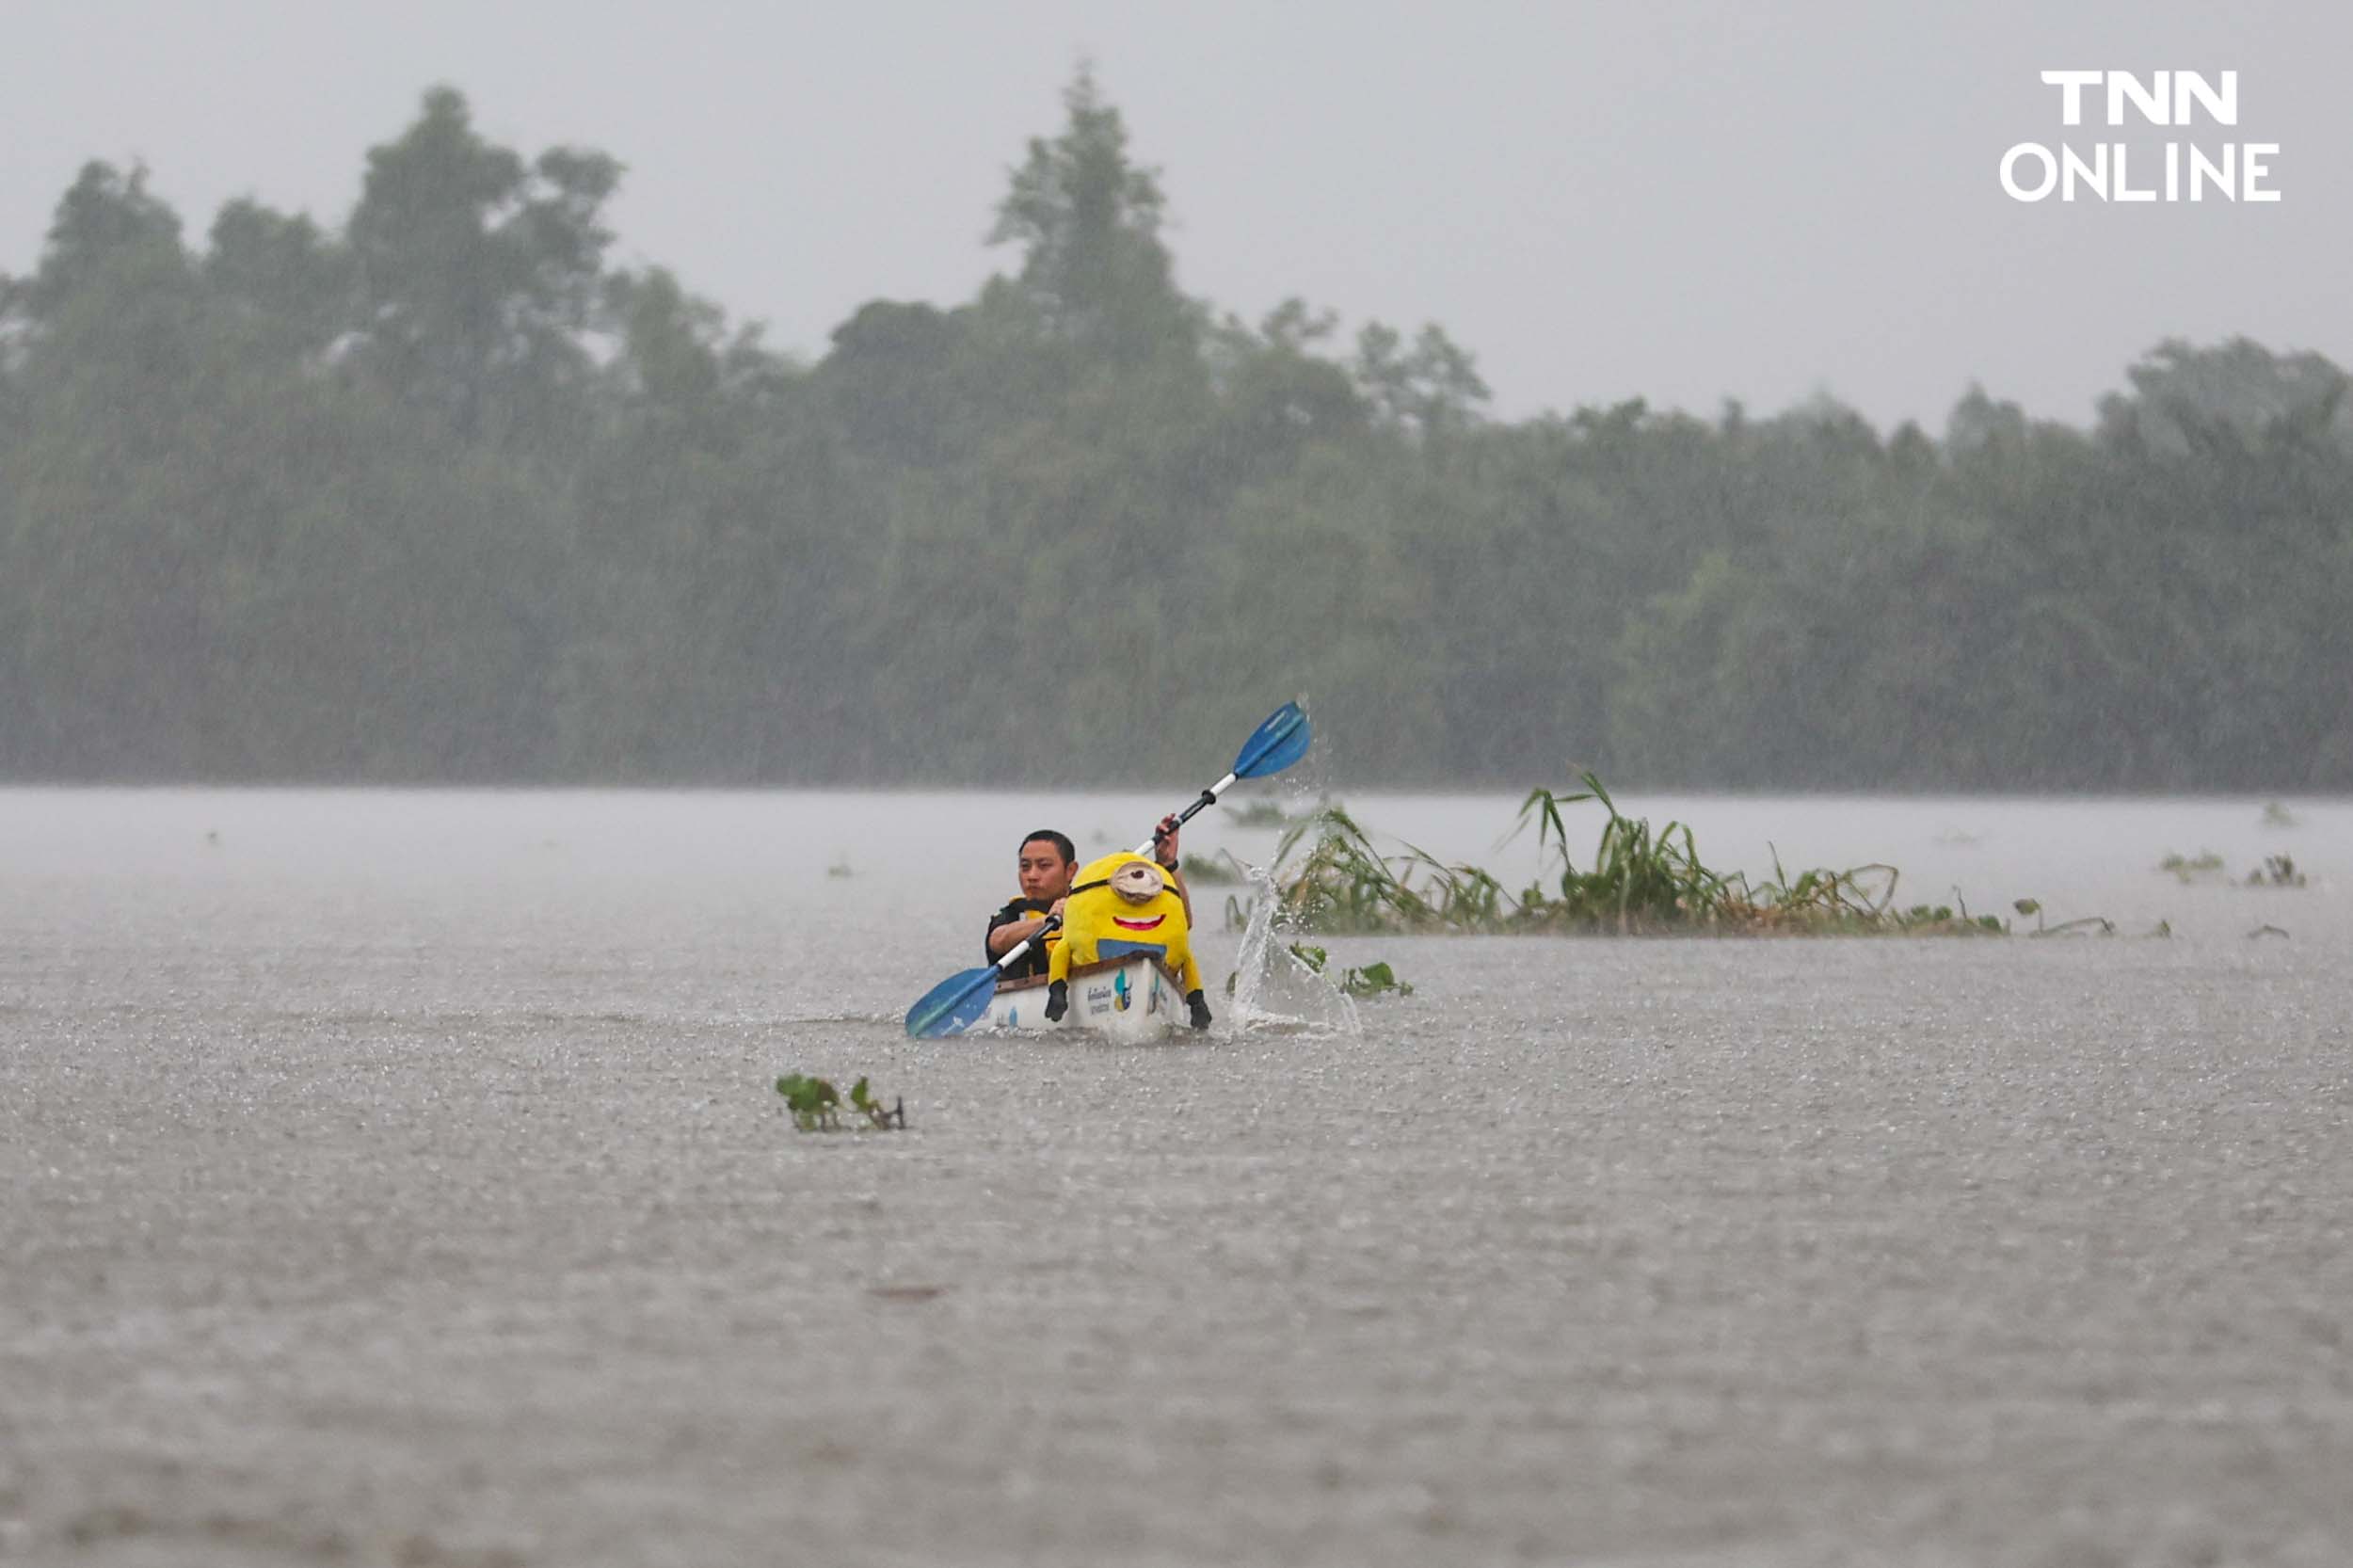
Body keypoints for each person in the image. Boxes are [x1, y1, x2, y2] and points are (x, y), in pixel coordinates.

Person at [984, 819, 1191, 981]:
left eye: (1044, 866)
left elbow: (1183, 922)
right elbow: (998, 941)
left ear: (1070, 870)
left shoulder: (1096, 903)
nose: (1032, 875)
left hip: (1101, 986)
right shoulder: (1012, 912)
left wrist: (1168, 864)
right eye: (1025, 866)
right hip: (1037, 993)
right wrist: (1048, 919)